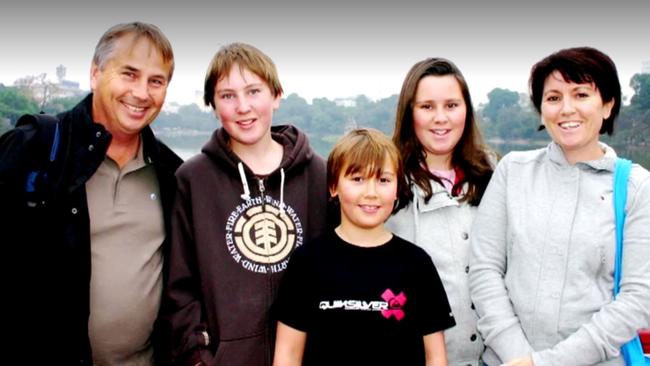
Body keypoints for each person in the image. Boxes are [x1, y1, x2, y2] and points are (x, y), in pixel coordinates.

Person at [0, 22, 182, 365]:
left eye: (156, 81)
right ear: (95, 73)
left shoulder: (170, 173)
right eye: (129, 74)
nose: (142, 93)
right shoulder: (35, 147)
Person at [468, 47, 650, 366]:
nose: (566, 109)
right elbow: (485, 270)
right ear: (541, 110)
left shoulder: (637, 187)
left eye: (581, 94)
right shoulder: (513, 171)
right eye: (553, 98)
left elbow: (637, 298)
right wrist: (519, 358)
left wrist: (546, 363)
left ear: (607, 105)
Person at [162, 42, 329, 365]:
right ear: (213, 105)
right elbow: (178, 289)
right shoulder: (192, 180)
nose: (242, 107)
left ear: (276, 95)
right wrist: (198, 357)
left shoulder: (318, 174)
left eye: (253, 91)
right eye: (227, 96)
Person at [273, 128, 456, 366]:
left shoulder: (416, 264)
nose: (371, 193)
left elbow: (435, 357)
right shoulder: (307, 263)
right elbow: (287, 355)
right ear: (333, 187)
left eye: (383, 180)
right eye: (357, 179)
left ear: (397, 187)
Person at [385, 57, 494, 365]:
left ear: (467, 111)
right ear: (409, 113)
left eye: (451, 105)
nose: (441, 118)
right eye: (427, 107)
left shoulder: (494, 173)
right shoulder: (385, 181)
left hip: (493, 355)